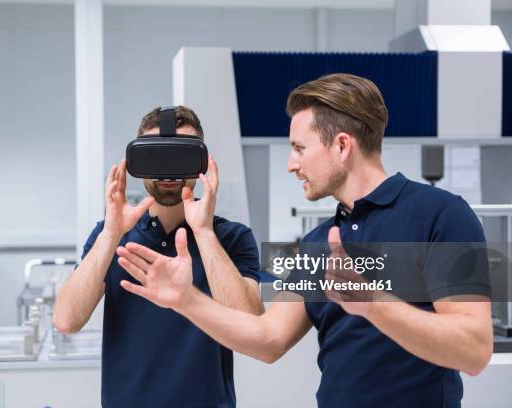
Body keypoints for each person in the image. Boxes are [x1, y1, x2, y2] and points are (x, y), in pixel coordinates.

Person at [116, 74, 493, 408]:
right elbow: (268, 338)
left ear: (342, 146)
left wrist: (375, 304)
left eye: (299, 148)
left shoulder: (443, 215)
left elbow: (475, 349)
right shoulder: (319, 243)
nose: (291, 164)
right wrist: (187, 301)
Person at [52, 105, 263, 408]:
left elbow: (252, 327)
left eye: (180, 157)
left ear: (201, 163)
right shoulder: (109, 235)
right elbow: (66, 321)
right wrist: (111, 234)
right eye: (157, 157)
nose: (169, 173)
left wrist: (203, 232)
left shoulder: (231, 237)